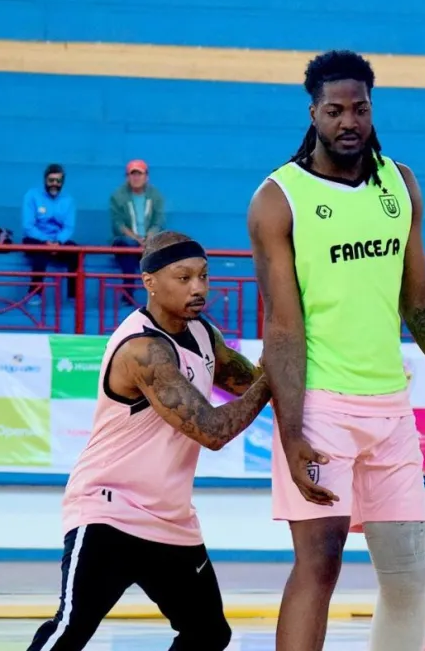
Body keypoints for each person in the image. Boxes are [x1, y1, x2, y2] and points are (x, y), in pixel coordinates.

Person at [247, 50, 425, 651]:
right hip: (321, 406)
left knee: (407, 576)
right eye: (335, 110)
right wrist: (290, 433)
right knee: (320, 565)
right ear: (313, 113)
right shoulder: (278, 199)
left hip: (390, 411)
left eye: (360, 108)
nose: (349, 121)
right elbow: (282, 328)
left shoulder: (401, 183)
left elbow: (419, 302)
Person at [25, 231, 272, 651]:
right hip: (111, 510)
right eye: (183, 277)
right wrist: (274, 376)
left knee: (209, 634)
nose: (198, 287)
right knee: (69, 632)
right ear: (149, 281)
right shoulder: (142, 349)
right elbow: (213, 430)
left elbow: (251, 383)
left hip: (170, 519)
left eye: (204, 276)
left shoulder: (203, 333)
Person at [110, 159, 167, 304]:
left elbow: (159, 221)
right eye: (132, 174)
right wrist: (136, 239)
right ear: (127, 177)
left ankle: (160, 298)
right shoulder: (118, 196)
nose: (136, 178)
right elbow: (118, 225)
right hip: (127, 241)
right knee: (127, 247)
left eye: (139, 174)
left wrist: (149, 237)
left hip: (149, 241)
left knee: (162, 251)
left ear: (146, 177)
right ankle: (128, 294)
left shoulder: (155, 196)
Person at [22, 163, 79, 305]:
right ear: (45, 180)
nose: (54, 184)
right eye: (51, 180)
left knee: (76, 253)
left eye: (58, 181)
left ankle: (73, 295)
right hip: (36, 238)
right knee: (40, 253)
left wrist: (58, 242)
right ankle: (34, 293)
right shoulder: (32, 196)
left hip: (58, 241)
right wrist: (46, 241)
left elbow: (69, 227)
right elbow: (28, 226)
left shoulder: (68, 200)